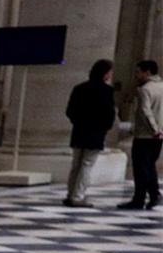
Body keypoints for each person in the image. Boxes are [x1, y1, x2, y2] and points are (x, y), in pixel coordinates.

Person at [63, 59, 116, 208]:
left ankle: (70, 194)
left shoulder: (79, 88)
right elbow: (109, 114)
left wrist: (78, 122)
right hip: (96, 133)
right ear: (105, 74)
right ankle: (78, 196)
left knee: (76, 165)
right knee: (86, 165)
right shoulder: (107, 91)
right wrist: (104, 128)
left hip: (79, 130)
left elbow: (70, 111)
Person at [119, 59, 162, 210]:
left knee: (141, 168)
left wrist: (154, 129)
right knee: (149, 166)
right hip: (158, 137)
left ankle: (140, 199)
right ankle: (154, 194)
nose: (136, 75)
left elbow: (145, 111)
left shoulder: (145, 89)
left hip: (146, 135)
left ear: (147, 72)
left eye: (138, 71)